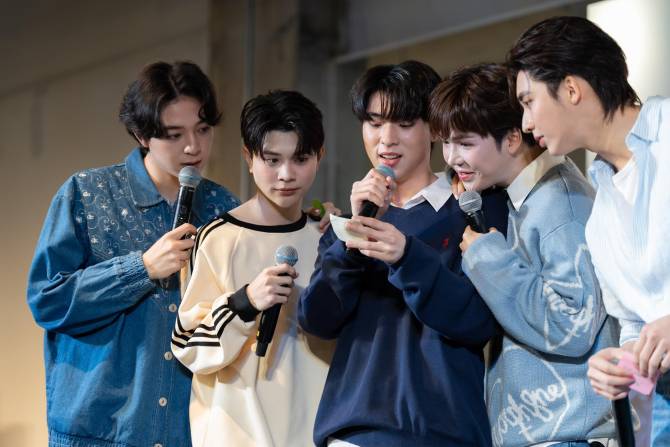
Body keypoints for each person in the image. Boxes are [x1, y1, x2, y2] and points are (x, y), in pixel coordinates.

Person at [26, 61, 240, 446]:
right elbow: (47, 300)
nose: (193, 147)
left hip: (190, 433)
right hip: (98, 434)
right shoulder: (86, 194)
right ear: (142, 134)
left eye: (203, 129)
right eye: (174, 134)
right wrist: (140, 269)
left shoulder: (223, 208)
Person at [298, 60, 508, 447]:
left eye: (405, 123)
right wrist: (353, 237)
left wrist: (407, 256)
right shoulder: (347, 224)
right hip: (354, 433)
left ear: (434, 128)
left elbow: (479, 321)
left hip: (444, 433)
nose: (387, 139)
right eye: (375, 123)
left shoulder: (473, 208)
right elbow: (318, 320)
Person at [432, 62, 618, 447]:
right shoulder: (521, 198)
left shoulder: (561, 203)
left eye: (465, 143)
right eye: (446, 143)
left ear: (513, 138)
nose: (451, 157)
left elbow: (573, 323)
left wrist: (489, 260)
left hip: (567, 437)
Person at [507, 16, 670, 445]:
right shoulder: (599, 214)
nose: (525, 124)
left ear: (571, 89)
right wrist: (622, 363)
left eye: (529, 101)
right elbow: (634, 325)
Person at [171, 90, 334, 447]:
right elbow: (187, 345)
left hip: (316, 431)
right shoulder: (218, 238)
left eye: (300, 158)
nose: (286, 174)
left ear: (319, 157)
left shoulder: (328, 236)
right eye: (272, 160)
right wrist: (244, 302)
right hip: (236, 433)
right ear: (249, 157)